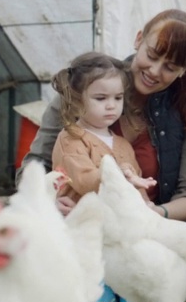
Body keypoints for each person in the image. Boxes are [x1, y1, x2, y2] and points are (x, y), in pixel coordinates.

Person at [23, 9, 186, 302]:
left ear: (183, 71)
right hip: (81, 230)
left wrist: (151, 215)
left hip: (145, 240)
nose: (154, 70)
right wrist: (48, 198)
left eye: (170, 67)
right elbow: (35, 165)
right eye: (152, 55)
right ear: (138, 39)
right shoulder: (81, 88)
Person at [49, 52, 158, 203]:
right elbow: (84, 181)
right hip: (80, 220)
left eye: (118, 97)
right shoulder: (71, 138)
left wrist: (146, 205)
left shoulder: (124, 144)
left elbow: (138, 186)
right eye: (101, 98)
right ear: (77, 99)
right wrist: (119, 174)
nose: (111, 106)